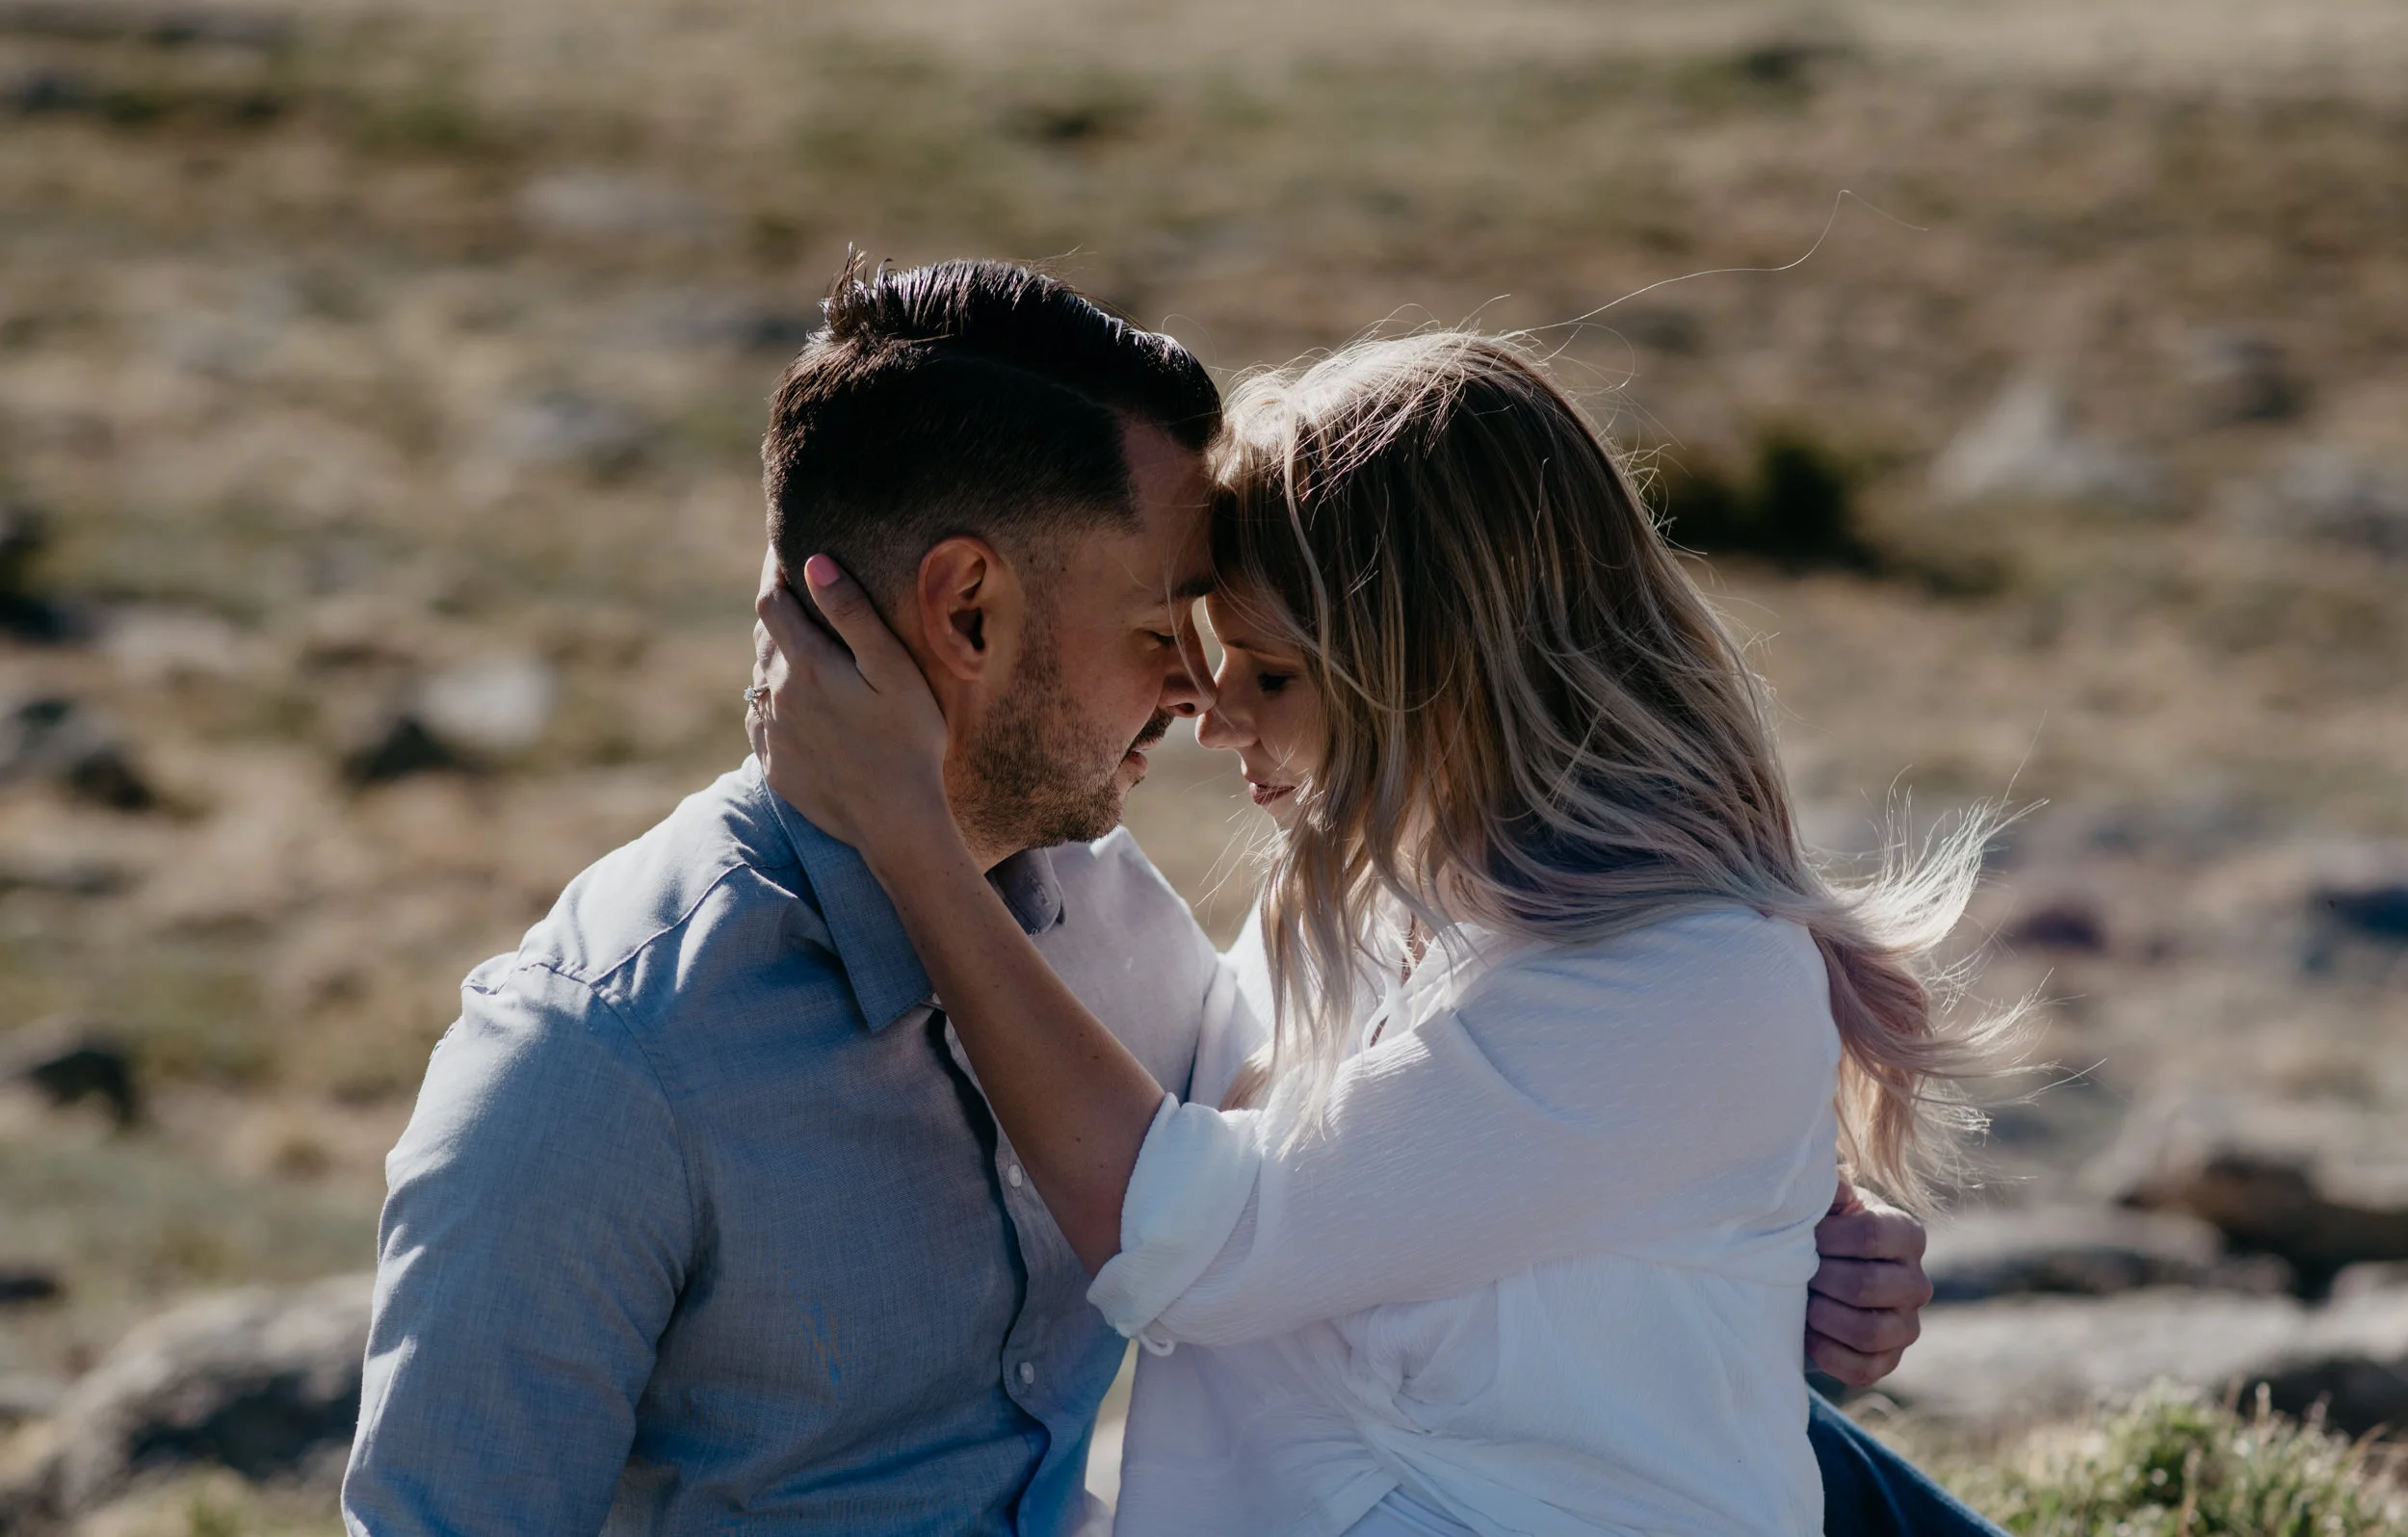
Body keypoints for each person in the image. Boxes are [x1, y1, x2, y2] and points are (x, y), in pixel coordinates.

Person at [343, 259, 1941, 1537]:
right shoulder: (599, 1067)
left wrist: (1768, 1230)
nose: (1198, 693)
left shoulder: (1116, 937)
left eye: (1250, 656)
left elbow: (1318, 1185)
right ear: (966, 610)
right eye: (1165, 628)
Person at [748, 329, 2020, 1534]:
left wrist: (909, 836)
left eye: (1275, 675)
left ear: (1447, 671)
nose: (1214, 716)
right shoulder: (1364, 901)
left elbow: (1189, 1237)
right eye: (1206, 655)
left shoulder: (1686, 980)